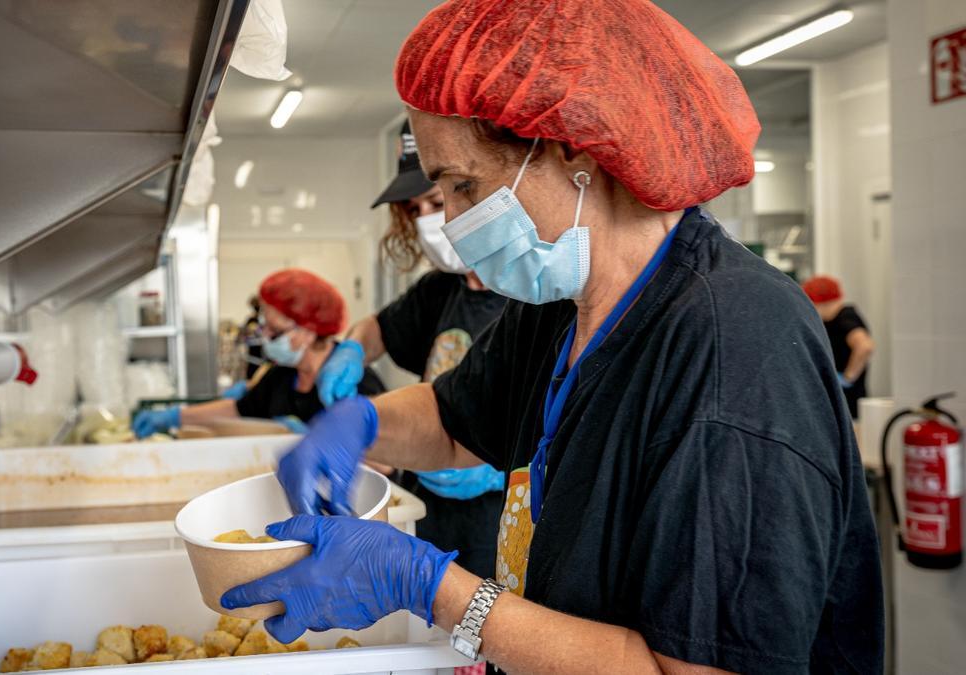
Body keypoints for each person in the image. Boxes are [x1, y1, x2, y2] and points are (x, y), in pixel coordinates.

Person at [219, 2, 884, 673]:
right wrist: (358, 421)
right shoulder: (565, 299)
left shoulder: (733, 346)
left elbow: (697, 668)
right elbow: (455, 419)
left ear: (572, 149)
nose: (449, 219)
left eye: (462, 183)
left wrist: (431, 588)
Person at [316, 121, 508, 577]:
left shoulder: (532, 296)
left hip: (500, 519)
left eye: (438, 201)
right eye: (414, 208)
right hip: (432, 510)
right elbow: (377, 328)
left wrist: (501, 467)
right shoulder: (439, 290)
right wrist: (351, 351)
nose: (428, 220)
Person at [133, 269, 385, 437]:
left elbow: (386, 464)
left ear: (308, 331)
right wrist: (174, 417)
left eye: (274, 331)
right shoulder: (282, 377)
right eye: (264, 327)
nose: (265, 338)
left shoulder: (353, 381)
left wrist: (309, 439)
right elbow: (238, 409)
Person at [802, 275, 875, 418]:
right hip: (842, 400)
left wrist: (847, 378)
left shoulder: (845, 318)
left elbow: (865, 346)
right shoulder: (832, 320)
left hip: (850, 402)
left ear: (819, 302)